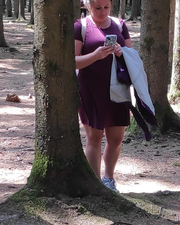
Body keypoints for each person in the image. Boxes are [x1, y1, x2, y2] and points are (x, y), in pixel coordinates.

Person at [74, 0, 132, 192]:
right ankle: (95, 184)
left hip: (117, 89)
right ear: (87, 5)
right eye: (97, 7)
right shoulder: (80, 27)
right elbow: (73, 61)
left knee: (115, 138)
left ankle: (109, 179)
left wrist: (120, 52)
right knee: (94, 137)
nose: (102, 12)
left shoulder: (120, 25)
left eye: (106, 7)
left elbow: (131, 56)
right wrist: (95, 56)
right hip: (90, 89)